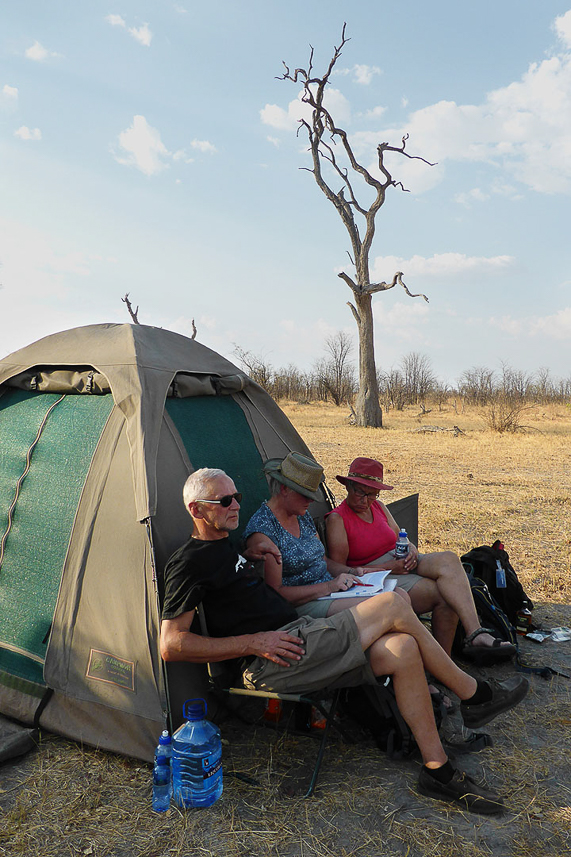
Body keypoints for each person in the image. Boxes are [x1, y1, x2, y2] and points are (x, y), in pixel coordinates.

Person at [160, 466, 529, 814]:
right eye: (224, 501)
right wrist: (254, 642)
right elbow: (171, 644)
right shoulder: (187, 562)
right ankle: (473, 694)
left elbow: (231, 591)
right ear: (195, 509)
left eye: (236, 496)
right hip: (270, 660)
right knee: (392, 606)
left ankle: (437, 770)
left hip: (300, 637)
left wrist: (246, 554)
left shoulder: (226, 547)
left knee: (403, 648)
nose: (236, 504)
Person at [325, 457, 517, 662]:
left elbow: (400, 536)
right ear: (348, 486)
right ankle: (443, 664)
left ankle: (475, 633)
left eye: (372, 494)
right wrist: (388, 567)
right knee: (446, 596)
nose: (365, 500)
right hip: (375, 576)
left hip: (400, 561)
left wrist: (412, 550)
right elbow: (342, 572)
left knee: (450, 559)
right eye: (360, 492)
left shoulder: (378, 507)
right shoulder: (338, 519)